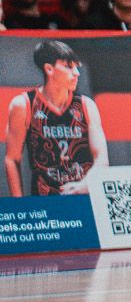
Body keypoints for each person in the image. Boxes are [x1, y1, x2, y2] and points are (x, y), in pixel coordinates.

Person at [5, 39, 107, 196]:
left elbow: (102, 159)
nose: (77, 73)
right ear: (49, 69)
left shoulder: (86, 105)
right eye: (69, 67)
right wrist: (18, 204)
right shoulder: (24, 104)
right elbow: (12, 160)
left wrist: (84, 185)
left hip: (84, 196)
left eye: (77, 67)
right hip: (45, 201)